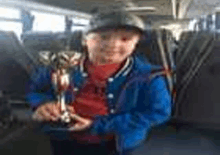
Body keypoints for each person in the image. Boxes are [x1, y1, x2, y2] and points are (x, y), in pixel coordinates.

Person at [25, 9, 172, 155]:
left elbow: (158, 112)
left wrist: (96, 126)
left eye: (125, 39)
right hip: (63, 136)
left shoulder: (148, 76)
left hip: (113, 142)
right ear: (85, 40)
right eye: (103, 37)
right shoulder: (60, 66)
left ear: (136, 43)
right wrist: (42, 104)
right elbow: (36, 90)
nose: (113, 45)